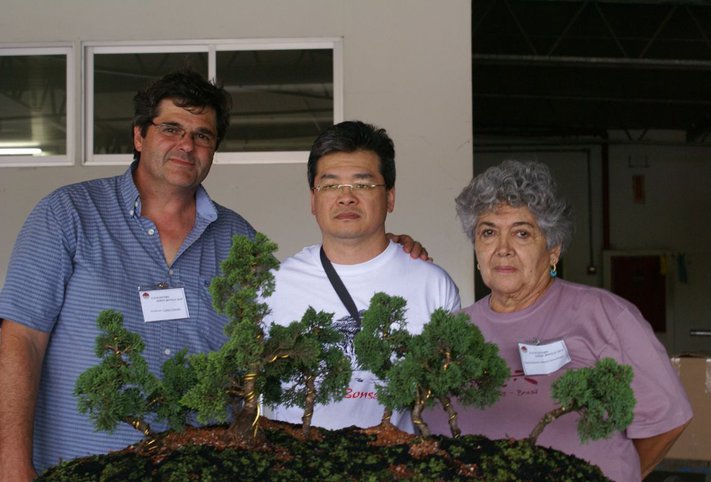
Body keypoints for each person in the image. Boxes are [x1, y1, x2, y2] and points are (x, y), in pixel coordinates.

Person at [0, 71, 424, 480]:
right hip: (82, 467)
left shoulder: (238, 239)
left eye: (202, 135)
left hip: (202, 467)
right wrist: (11, 465)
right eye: (171, 128)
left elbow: (296, 307)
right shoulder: (68, 215)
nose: (186, 144)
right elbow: (21, 340)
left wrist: (382, 249)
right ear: (139, 136)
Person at [425, 160, 692, 482]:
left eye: (522, 233)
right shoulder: (452, 333)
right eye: (488, 232)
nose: (503, 249)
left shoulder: (604, 315)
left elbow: (666, 420)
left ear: (553, 250)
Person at [263, 121, 460, 432]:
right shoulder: (275, 286)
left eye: (363, 184)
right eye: (330, 186)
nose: (346, 197)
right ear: (313, 200)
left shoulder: (432, 285)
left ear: (390, 197)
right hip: (294, 457)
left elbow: (446, 399)